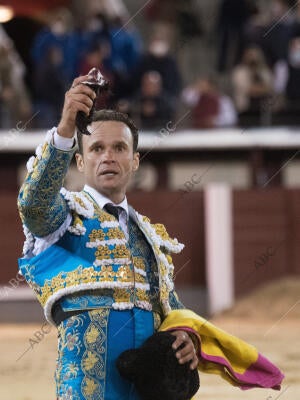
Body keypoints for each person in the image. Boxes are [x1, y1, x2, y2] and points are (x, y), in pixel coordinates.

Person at [17, 74, 198, 400]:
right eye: (97, 148)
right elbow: (33, 204)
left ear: (135, 160)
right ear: (81, 160)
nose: (108, 156)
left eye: (119, 148)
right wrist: (65, 130)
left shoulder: (149, 237)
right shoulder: (66, 216)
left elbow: (169, 306)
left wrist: (186, 336)